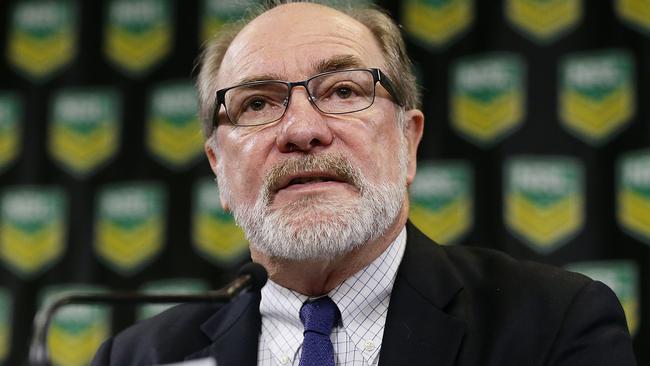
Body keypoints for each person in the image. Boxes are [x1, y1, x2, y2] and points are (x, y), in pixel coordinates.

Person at [91, 1, 636, 365]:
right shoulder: (140, 356)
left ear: (409, 141)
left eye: (344, 92)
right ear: (217, 165)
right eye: (257, 103)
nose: (302, 130)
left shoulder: (554, 323)